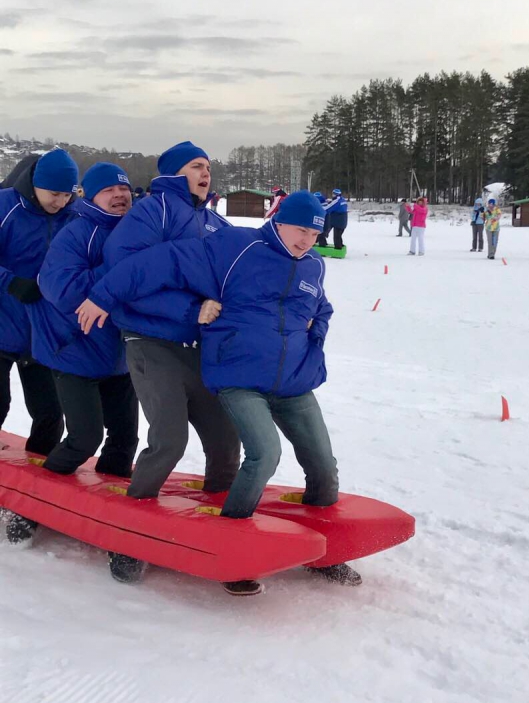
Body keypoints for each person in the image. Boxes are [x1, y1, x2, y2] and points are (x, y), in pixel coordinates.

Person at [77, 191, 361, 594]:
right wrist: (102, 295)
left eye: (314, 233)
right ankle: (231, 546)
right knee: (263, 453)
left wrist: (314, 344)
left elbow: (321, 310)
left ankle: (324, 554)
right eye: (300, 230)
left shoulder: (313, 264)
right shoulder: (235, 248)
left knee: (323, 465)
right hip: (239, 376)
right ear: (280, 222)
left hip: (294, 382)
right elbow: (159, 263)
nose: (306, 240)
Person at [96, 140, 241, 584]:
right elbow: (125, 277)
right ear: (177, 173)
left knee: (224, 437)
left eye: (209, 167)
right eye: (197, 166)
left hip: (195, 348)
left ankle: (224, 530)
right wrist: (186, 311)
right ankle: (130, 533)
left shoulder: (210, 219)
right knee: (169, 439)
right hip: (150, 343)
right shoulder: (152, 211)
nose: (206, 173)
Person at [5, 164, 140, 546]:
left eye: (123, 188)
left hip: (119, 357)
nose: (119, 195)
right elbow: (61, 289)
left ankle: (109, 514)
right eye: (109, 189)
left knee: (125, 439)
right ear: (92, 195)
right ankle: (29, 506)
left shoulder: (138, 233)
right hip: (73, 351)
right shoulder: (74, 233)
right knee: (83, 437)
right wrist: (120, 274)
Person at [0, 149, 78, 457]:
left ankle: (36, 482)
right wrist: (11, 282)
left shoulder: (73, 214)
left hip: (41, 332)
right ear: (36, 185)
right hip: (3, 320)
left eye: (67, 195)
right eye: (54, 194)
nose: (60, 202)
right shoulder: (6, 206)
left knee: (50, 414)